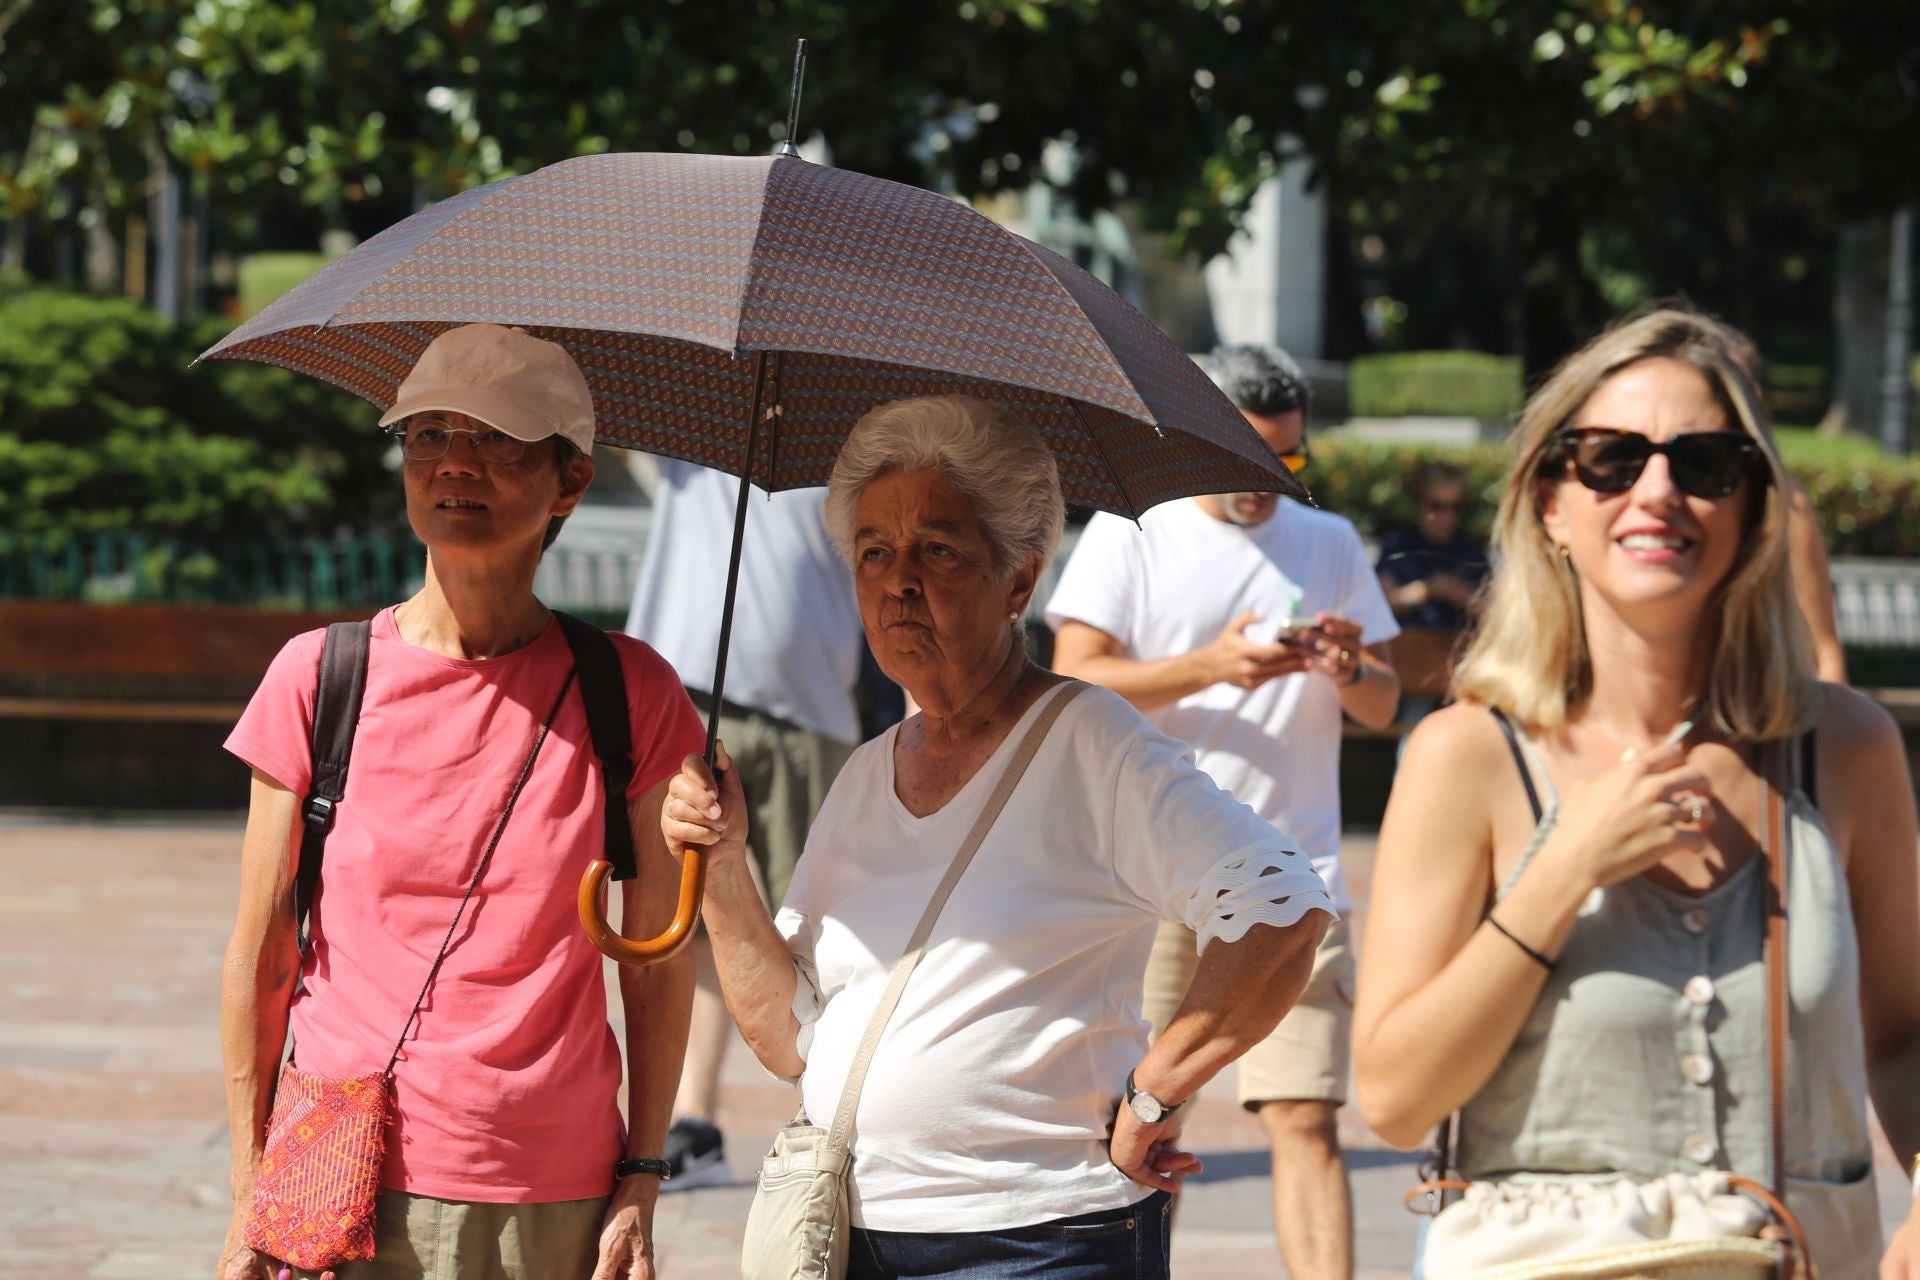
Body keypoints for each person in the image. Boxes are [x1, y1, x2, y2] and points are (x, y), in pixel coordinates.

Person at [662, 395, 1336, 1279]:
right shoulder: (868, 772)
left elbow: (1281, 908)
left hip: (1038, 1242)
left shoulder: (1092, 739)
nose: (897, 579)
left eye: (936, 550)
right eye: (873, 552)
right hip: (855, 1232)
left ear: (1019, 580)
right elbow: (793, 1038)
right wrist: (719, 862)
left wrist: (1156, 1088)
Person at [1352, 309, 1920, 1280]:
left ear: (1748, 508)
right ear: (1551, 503)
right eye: (1612, 457)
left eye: (1703, 461)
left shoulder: (1845, 748)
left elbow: (1905, 1031)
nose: (1658, 490)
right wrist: (1563, 868)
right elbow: (1395, 1094)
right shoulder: (1468, 756)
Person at [218, 324, 704, 1280]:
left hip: (550, 1187)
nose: (455, 464)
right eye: (427, 435)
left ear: (571, 482)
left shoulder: (633, 693)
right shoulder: (319, 678)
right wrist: (249, 1185)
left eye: (496, 438)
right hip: (341, 1172)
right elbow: (263, 947)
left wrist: (643, 1175)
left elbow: (656, 958)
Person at [1044, 342, 1399, 1280]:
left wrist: (1348, 665)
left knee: (1308, 1116)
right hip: (1158, 882)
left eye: (1292, 461)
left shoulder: (1329, 541)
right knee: (1146, 1122)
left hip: (1300, 873)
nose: (1271, 484)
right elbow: (1073, 675)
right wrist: (1214, 665)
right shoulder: (1134, 530)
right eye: (1253, 460)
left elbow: (1384, 705)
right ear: (1203, 436)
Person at [625, 460, 865, 1189]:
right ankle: (691, 1120)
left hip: (813, 706)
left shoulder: (845, 442)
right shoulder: (688, 442)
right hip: (690, 695)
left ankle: (825, 1113)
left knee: (822, 925)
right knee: (686, 918)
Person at [1375, 459, 1488, 634]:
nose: (1446, 516)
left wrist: (1462, 596)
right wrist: (1426, 590)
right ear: (1419, 503)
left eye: (1456, 507)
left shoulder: (1472, 551)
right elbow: (1378, 605)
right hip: (1405, 650)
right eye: (1436, 506)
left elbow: (1496, 613)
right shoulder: (1399, 544)